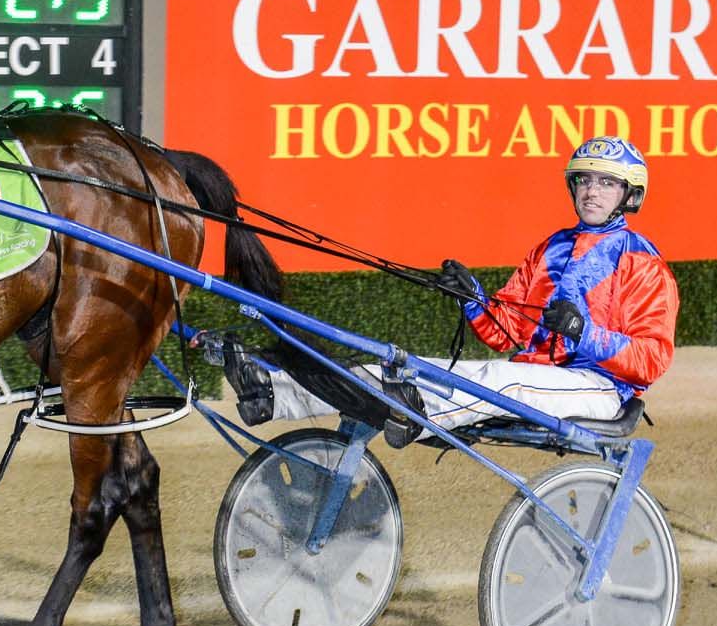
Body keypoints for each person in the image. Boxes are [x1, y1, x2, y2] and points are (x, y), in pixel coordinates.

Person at [226, 137, 680, 446]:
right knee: (404, 367)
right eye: (583, 180)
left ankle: (416, 418)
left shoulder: (642, 262)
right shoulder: (551, 249)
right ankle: (275, 392)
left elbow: (653, 358)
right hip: (537, 377)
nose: (592, 192)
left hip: (598, 389)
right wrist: (473, 297)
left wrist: (587, 335)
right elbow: (506, 333)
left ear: (629, 195)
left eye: (606, 182)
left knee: (502, 380)